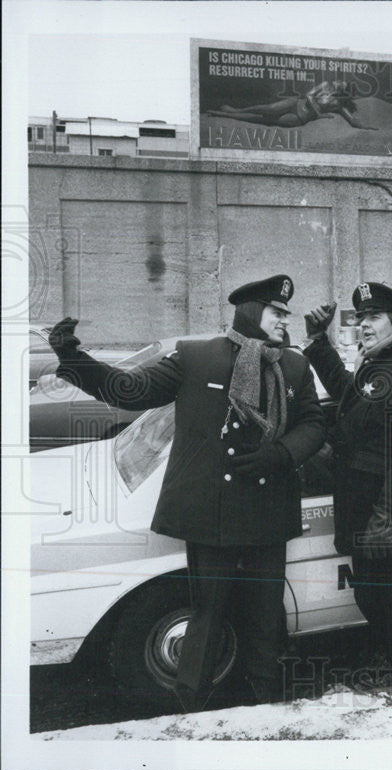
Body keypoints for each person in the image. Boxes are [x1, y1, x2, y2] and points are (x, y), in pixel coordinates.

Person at [48, 275, 325, 711]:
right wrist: (74, 358)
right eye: (276, 313)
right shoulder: (198, 357)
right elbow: (131, 391)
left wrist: (281, 454)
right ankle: (190, 705)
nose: (283, 321)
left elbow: (313, 422)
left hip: (269, 510)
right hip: (211, 513)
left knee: (265, 616)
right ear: (251, 313)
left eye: (285, 314)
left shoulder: (293, 365)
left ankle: (266, 701)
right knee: (207, 613)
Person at [302, 283, 392, 689]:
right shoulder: (382, 363)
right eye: (361, 318)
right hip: (369, 511)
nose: (363, 325)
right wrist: (318, 342)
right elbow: (352, 398)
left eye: (374, 317)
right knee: (376, 600)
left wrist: (385, 519)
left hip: (391, 517)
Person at [208, 80, 377, 130]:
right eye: (340, 83)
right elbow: (309, 96)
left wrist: (368, 127)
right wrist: (320, 114)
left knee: (266, 121)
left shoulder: (339, 106)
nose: (338, 83)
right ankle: (234, 110)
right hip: (295, 105)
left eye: (342, 86)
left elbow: (353, 121)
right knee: (268, 110)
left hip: (300, 118)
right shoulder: (325, 85)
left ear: (344, 93)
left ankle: (224, 115)